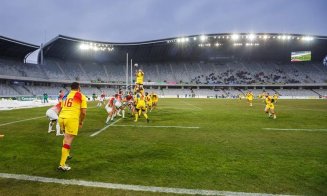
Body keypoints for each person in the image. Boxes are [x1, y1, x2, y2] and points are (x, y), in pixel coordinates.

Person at [57, 82, 87, 171]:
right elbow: (83, 112)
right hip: (71, 119)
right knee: (68, 141)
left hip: (61, 118)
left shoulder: (66, 95)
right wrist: (81, 122)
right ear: (78, 87)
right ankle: (62, 165)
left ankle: (66, 155)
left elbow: (61, 107)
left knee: (66, 138)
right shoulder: (81, 96)